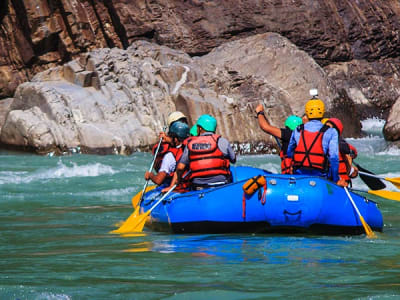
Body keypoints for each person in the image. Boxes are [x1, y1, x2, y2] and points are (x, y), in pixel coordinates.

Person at [287, 95, 347, 187]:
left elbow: (289, 152)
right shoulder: (331, 131)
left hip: (299, 173)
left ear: (307, 113)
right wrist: (336, 180)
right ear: (323, 112)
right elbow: (334, 157)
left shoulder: (298, 129)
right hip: (320, 175)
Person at [175, 114, 236, 190]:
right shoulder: (222, 141)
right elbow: (233, 159)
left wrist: (179, 180)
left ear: (200, 128)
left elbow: (180, 167)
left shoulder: (190, 143)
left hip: (198, 185)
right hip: (221, 184)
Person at [255, 104, 302, 174]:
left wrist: (260, 112)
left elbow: (265, 127)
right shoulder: (302, 136)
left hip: (290, 175)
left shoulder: (288, 134)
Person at [145, 121, 189, 186]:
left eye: (170, 136)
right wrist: (167, 139)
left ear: (176, 139)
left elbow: (158, 180)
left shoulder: (169, 157)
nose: (169, 137)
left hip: (173, 187)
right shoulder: (189, 148)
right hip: (189, 185)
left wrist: (151, 176)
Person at [324, 118, 359, 187]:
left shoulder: (341, 143)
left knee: (348, 157)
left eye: (329, 128)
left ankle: (350, 171)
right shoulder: (323, 141)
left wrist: (350, 167)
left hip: (341, 180)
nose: (326, 130)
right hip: (328, 177)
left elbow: (353, 152)